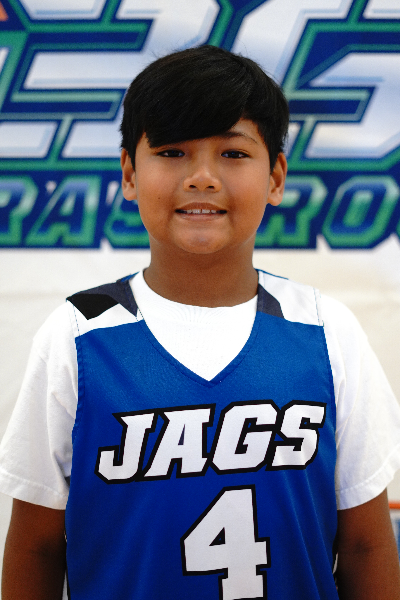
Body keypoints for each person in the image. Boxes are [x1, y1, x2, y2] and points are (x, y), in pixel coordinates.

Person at [1, 45, 400, 600]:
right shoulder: (78, 334)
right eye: (172, 152)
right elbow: (36, 546)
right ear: (129, 174)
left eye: (233, 154)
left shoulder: (325, 330)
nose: (203, 177)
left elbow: (366, 546)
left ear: (276, 177)